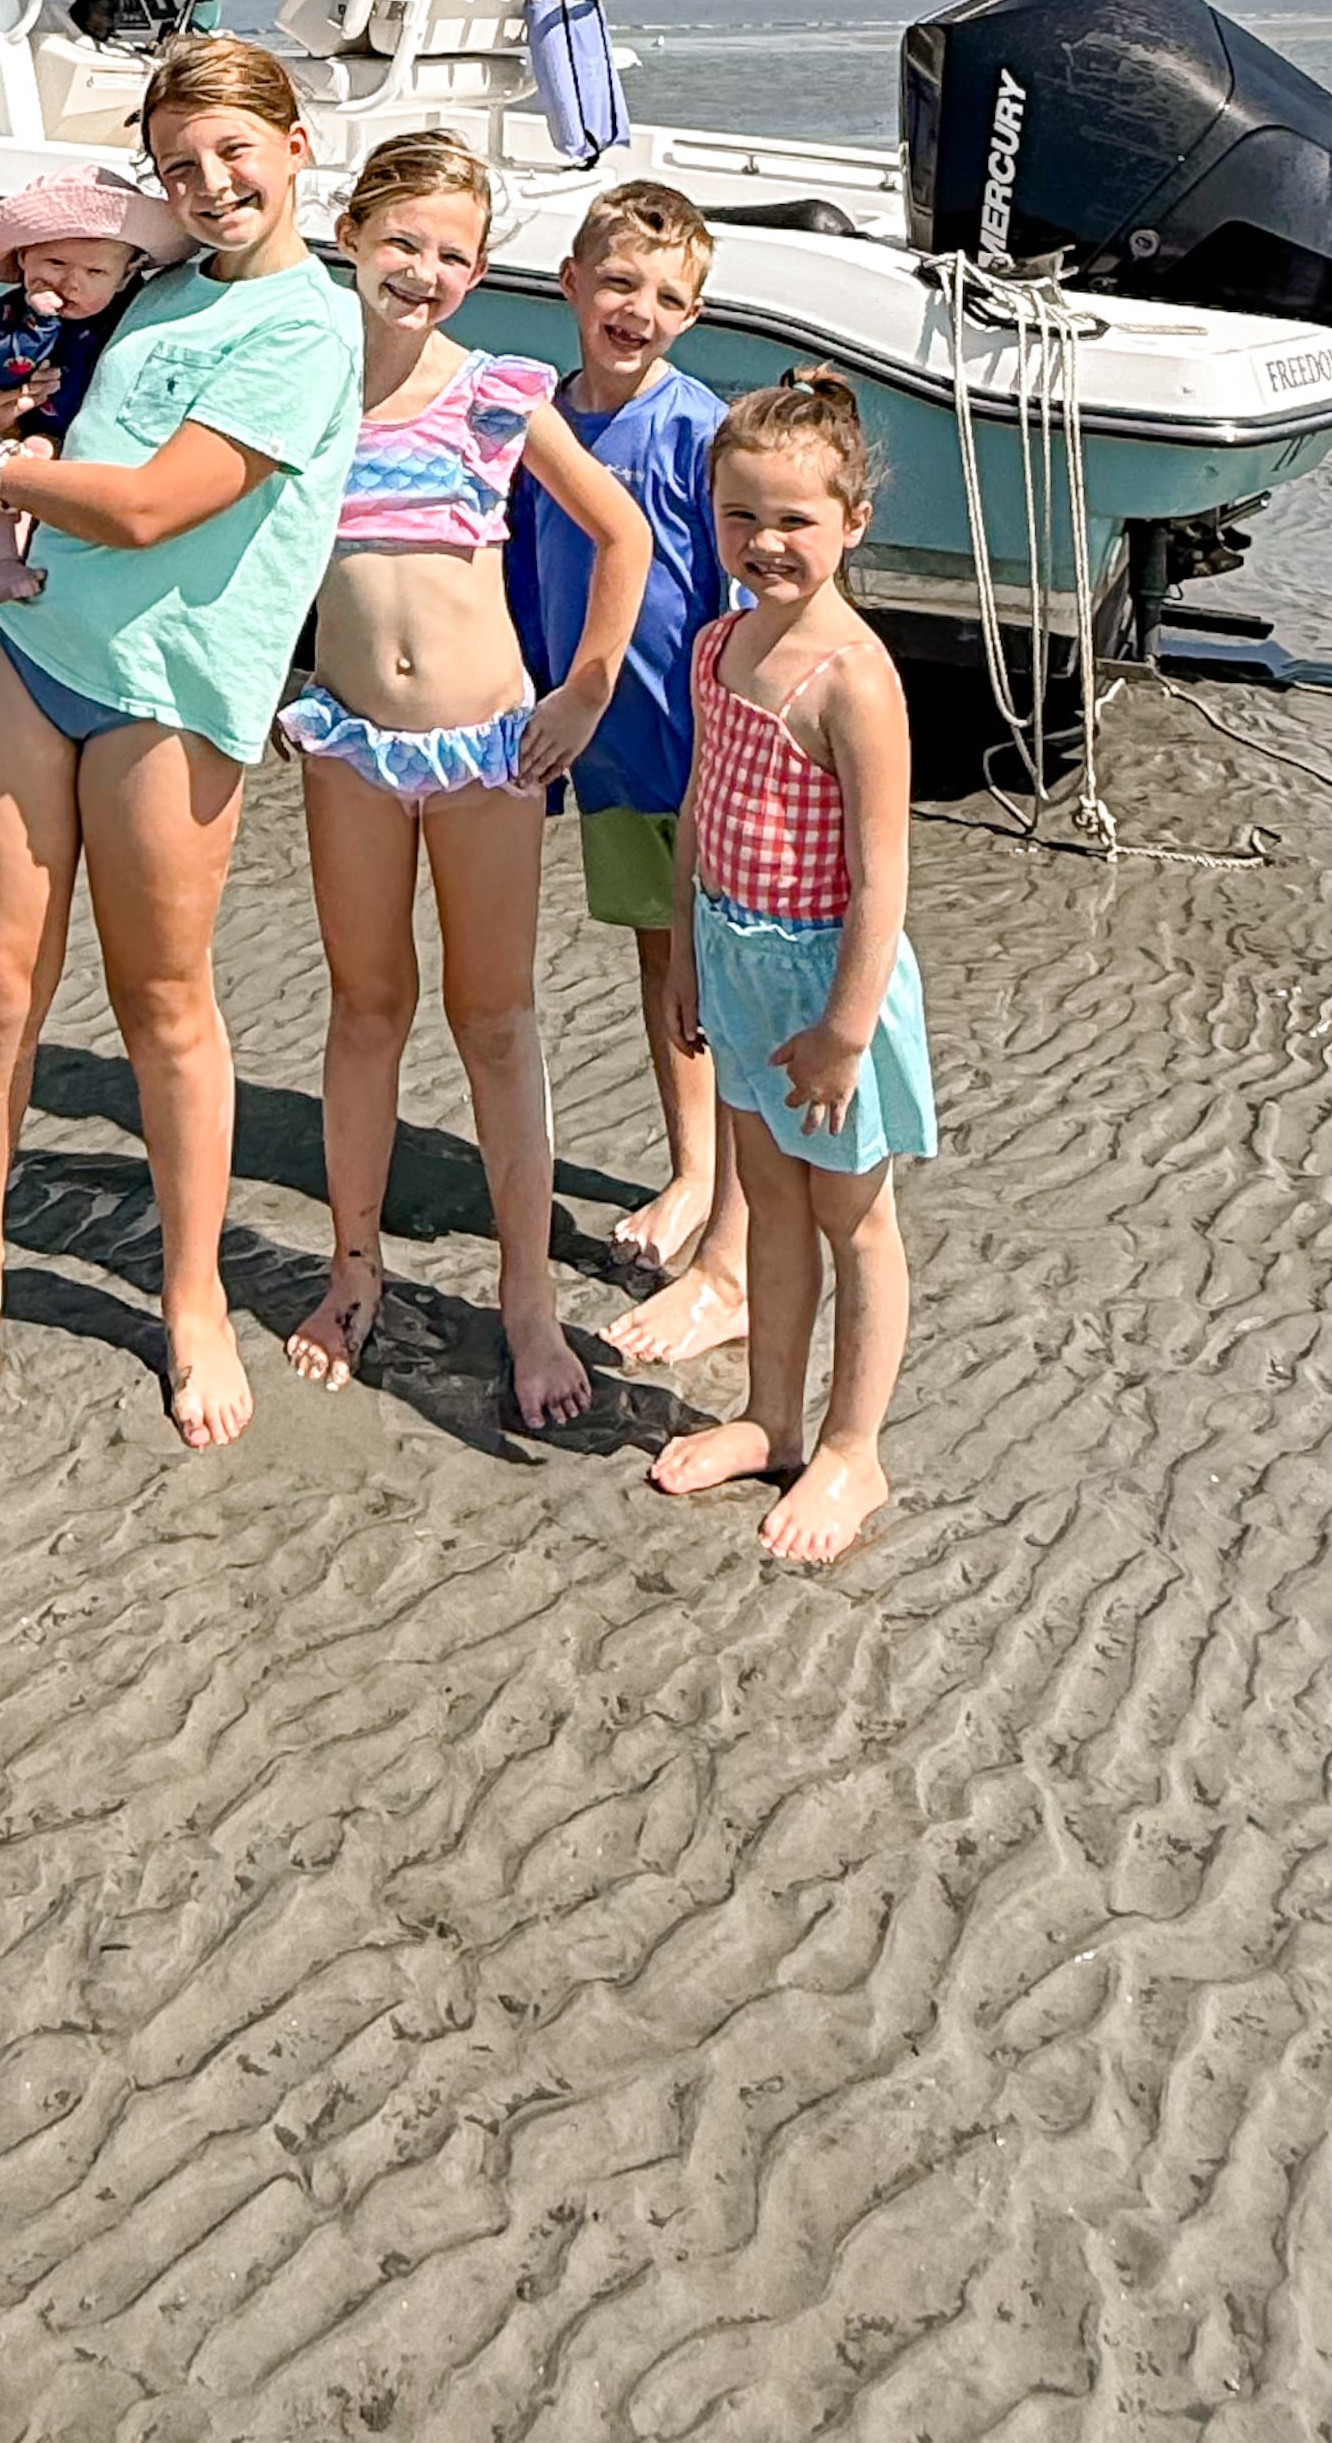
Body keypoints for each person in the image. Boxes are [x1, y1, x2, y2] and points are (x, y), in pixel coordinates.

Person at [0, 36, 360, 1451]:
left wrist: (11, 476)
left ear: (298, 144)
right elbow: (34, 341)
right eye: (181, 164)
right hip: (32, 652)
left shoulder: (308, 325)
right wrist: (11, 408)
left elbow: (167, 504)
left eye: (236, 149)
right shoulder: (157, 281)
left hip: (173, 694)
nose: (210, 183)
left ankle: (191, 1296)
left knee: (164, 1001)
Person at [276, 131, 653, 1436]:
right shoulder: (307, 386)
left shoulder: (494, 389)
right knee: (365, 1008)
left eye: (451, 252)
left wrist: (588, 685)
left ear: (479, 270)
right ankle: (354, 1272)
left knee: (494, 1019)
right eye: (401, 243)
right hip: (349, 747)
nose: (424, 269)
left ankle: (530, 1298)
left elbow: (623, 530)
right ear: (350, 236)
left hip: (491, 746)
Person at [649, 374, 937, 1564]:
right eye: (740, 517)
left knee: (852, 1218)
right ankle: (769, 1416)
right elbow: (697, 810)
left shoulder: (854, 680)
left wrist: (845, 1030)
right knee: (765, 1197)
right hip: (734, 954)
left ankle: (852, 1447)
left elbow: (883, 882)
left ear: (853, 522)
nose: (765, 544)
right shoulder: (721, 643)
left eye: (795, 521)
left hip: (829, 983)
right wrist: (684, 960)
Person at [501, 179, 745, 1366]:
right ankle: (693, 1167)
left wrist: (733, 748)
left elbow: (735, 596)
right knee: (662, 959)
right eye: (619, 284)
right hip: (600, 754)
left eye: (669, 297)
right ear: (571, 287)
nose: (639, 309)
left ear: (692, 316)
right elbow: (521, 579)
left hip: (697, 753)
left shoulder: (695, 430)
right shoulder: (543, 421)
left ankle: (734, 1215)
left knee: (720, 977)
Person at [0, 165, 183, 613]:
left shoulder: (135, 310)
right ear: (22, 258)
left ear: (125, 277)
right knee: (18, 467)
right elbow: (2, 370)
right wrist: (41, 322)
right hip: (47, 428)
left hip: (109, 437)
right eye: (55, 263)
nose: (70, 281)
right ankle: (1, 562)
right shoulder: (14, 311)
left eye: (95, 270)